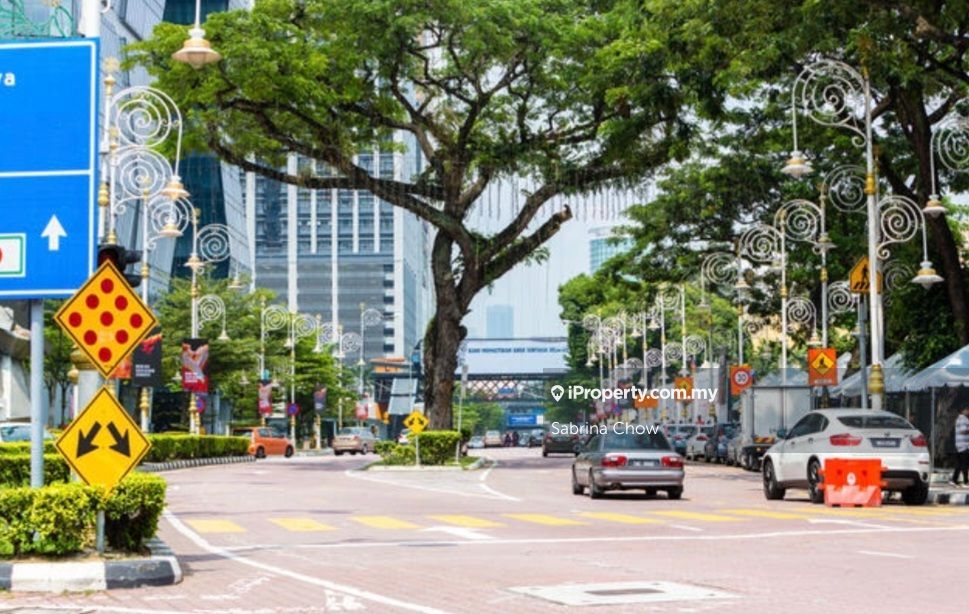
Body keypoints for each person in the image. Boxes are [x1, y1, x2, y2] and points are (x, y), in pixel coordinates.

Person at [952, 407, 969, 487]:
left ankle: (954, 480)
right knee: (964, 463)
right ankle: (966, 481)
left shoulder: (959, 418)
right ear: (964, 410)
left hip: (960, 444)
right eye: (968, 410)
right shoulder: (963, 419)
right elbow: (963, 431)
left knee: (960, 464)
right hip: (964, 445)